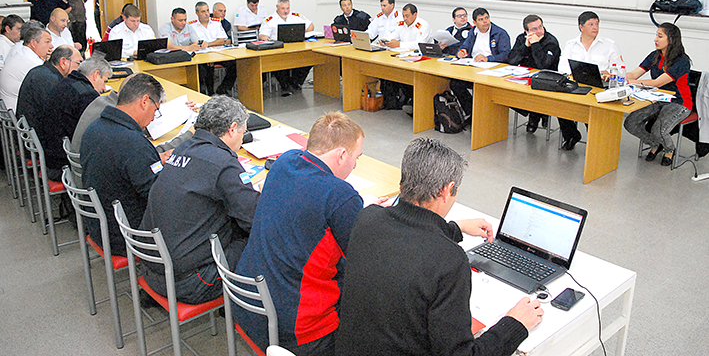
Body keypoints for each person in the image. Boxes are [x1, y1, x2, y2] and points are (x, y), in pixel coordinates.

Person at [336, 138, 543, 356]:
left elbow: (407, 241)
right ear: (447, 190)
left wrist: (455, 229)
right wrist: (515, 323)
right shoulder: (449, 261)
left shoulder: (368, 218)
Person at [234, 112, 365, 355]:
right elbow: (363, 261)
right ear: (342, 155)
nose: (355, 165)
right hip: (296, 331)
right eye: (356, 157)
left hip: (249, 305)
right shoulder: (340, 196)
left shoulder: (285, 161)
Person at [140, 96, 260, 304]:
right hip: (191, 283)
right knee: (261, 239)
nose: (241, 138)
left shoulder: (182, 149)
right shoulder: (223, 163)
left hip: (152, 268)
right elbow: (254, 218)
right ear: (232, 129)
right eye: (242, 132)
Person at [81, 73, 166, 256]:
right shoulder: (133, 143)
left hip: (100, 226)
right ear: (145, 101)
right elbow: (158, 195)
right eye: (156, 110)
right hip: (127, 234)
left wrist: (154, 161)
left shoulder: (95, 128)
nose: (153, 118)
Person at [624, 22, 692, 166]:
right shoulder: (655, 56)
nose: (655, 39)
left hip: (679, 102)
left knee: (658, 129)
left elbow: (657, 83)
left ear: (671, 39)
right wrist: (616, 74)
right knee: (630, 122)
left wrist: (632, 82)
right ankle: (655, 144)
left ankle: (669, 149)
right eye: (656, 35)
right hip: (657, 99)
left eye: (660, 36)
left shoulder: (682, 61)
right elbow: (635, 73)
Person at [557, 11, 621, 150]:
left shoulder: (609, 45)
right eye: (591, 24)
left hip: (598, 87)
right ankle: (571, 136)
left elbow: (620, 69)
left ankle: (595, 144)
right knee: (560, 105)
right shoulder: (571, 44)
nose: (595, 27)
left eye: (597, 24)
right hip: (575, 85)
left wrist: (609, 73)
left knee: (591, 111)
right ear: (581, 27)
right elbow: (562, 67)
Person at [41, 57, 111, 180]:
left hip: (51, 155)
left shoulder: (65, 82)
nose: (104, 88)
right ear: (96, 75)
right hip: (64, 165)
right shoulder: (86, 96)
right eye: (104, 81)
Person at [450, 8, 511, 118]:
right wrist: (461, 52)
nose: (485, 21)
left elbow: (506, 55)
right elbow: (465, 47)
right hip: (473, 68)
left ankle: (481, 116)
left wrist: (488, 58)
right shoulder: (473, 32)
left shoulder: (500, 33)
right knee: (455, 83)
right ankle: (472, 113)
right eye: (481, 19)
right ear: (474, 22)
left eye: (487, 18)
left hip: (492, 71)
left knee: (481, 87)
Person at [507, 15, 561, 133]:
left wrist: (535, 44)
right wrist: (526, 46)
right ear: (526, 31)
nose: (539, 31)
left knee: (534, 92)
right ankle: (535, 112)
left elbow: (544, 65)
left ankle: (536, 114)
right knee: (504, 94)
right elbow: (511, 61)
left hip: (546, 80)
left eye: (540, 27)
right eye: (534, 29)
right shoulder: (522, 38)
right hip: (525, 77)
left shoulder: (551, 41)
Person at [16, 45, 81, 131]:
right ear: (63, 62)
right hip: (38, 136)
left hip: (30, 131)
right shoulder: (50, 80)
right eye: (78, 63)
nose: (79, 69)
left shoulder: (42, 71)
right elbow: (58, 116)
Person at [259, 0, 314, 96]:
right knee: (280, 61)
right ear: (277, 7)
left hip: (296, 47)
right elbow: (262, 35)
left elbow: (311, 26)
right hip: (279, 49)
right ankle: (285, 86)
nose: (286, 11)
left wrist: (302, 34)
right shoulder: (270, 20)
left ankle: (296, 82)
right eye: (283, 8)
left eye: (287, 8)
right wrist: (265, 38)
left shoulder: (295, 16)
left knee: (309, 58)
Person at [0, 22, 54, 111]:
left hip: (11, 112)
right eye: (47, 42)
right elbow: (50, 91)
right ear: (33, 43)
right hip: (19, 116)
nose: (51, 46)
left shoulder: (23, 54)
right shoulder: (32, 62)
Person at [189, 1, 236, 95]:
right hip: (202, 56)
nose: (206, 13)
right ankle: (206, 93)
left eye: (207, 10)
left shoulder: (216, 23)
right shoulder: (191, 26)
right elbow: (194, 44)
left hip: (218, 54)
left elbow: (222, 40)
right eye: (203, 11)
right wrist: (213, 43)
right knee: (204, 68)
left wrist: (208, 44)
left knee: (234, 64)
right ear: (197, 13)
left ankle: (223, 88)